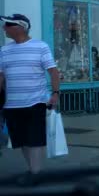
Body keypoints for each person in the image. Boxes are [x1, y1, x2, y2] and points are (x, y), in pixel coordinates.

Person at [0, 14, 60, 174]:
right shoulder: (4, 51)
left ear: (21, 27)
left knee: (35, 140)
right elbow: (1, 76)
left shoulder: (40, 47)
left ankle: (35, 173)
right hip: (12, 104)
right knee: (21, 141)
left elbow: (53, 72)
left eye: (7, 25)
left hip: (36, 102)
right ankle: (33, 170)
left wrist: (55, 94)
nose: (4, 27)